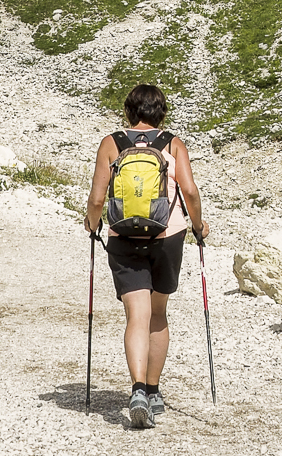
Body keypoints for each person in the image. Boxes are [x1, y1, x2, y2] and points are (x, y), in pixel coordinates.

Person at [85, 83, 208, 429]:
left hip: (123, 236)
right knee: (157, 313)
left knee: (135, 315)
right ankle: (153, 391)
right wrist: (199, 227)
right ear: (162, 112)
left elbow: (97, 200)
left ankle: (137, 389)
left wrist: (91, 224)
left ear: (128, 111)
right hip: (167, 235)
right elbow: (190, 191)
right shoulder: (173, 143)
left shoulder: (111, 143)